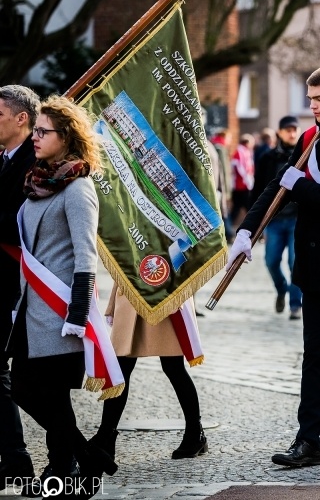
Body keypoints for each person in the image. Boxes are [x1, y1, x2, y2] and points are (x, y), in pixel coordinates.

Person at [229, 64, 320, 467]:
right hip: (312, 268)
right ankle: (309, 442)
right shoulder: (309, 138)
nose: (313, 106)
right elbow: (278, 187)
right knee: (315, 356)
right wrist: (247, 229)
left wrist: (301, 184)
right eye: (310, 99)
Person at [9, 96, 117, 497]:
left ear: (66, 136)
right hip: (31, 307)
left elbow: (85, 255)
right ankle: (87, 459)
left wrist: (79, 312)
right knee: (25, 389)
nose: (35, 137)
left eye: (43, 131)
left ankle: (62, 469)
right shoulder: (38, 181)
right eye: (34, 130)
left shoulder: (77, 187)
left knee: (48, 394)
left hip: (59, 309)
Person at [89, 285, 207, 462]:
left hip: (164, 290)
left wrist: (177, 289)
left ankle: (195, 433)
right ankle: (105, 435)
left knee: (173, 367)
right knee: (121, 367)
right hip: (131, 290)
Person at [0, 85, 39, 491]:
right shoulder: (5, 158)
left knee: (14, 377)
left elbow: (21, 225)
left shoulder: (32, 161)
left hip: (17, 283)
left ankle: (18, 460)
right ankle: (10, 459)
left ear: (21, 118)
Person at [252, 116, 302, 319]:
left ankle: (295, 304)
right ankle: (282, 289)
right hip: (273, 220)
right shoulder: (267, 158)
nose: (292, 133)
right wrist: (253, 221)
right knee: (271, 261)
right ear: (280, 132)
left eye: (294, 130)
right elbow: (257, 189)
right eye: (288, 130)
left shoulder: (304, 157)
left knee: (294, 262)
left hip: (297, 220)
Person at [229, 133, 255, 227]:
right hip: (242, 185)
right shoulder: (240, 151)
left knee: (238, 208)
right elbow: (240, 167)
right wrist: (247, 180)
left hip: (242, 185)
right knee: (247, 208)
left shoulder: (243, 151)